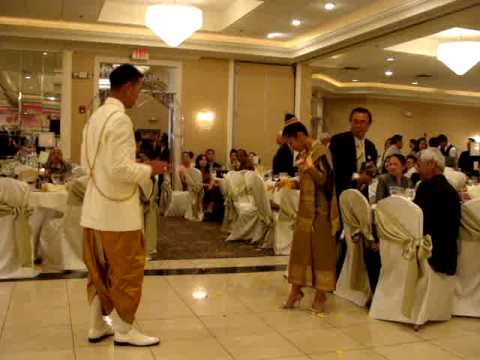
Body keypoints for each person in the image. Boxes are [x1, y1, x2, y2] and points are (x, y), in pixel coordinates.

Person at [80, 64, 168, 347]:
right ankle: (125, 329)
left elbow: (88, 165)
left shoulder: (94, 118)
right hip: (117, 214)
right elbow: (119, 169)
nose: (138, 96)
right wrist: (149, 169)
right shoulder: (120, 120)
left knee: (98, 272)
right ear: (128, 87)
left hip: (94, 210)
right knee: (127, 270)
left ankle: (96, 325)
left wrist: (135, 168)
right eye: (139, 89)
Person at [282, 121, 339, 313]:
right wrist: (291, 184)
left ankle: (321, 294)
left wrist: (309, 167)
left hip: (321, 212)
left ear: (299, 135)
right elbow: (308, 181)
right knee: (300, 251)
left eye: (291, 142)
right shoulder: (306, 154)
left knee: (321, 253)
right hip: (305, 212)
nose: (292, 147)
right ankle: (296, 290)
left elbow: (326, 181)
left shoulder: (321, 152)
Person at [329, 107, 378, 278]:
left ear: (369, 124)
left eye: (363, 122)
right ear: (350, 122)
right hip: (341, 195)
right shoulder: (339, 141)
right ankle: (332, 274)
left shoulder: (370, 146)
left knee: (360, 234)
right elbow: (338, 170)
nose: (358, 125)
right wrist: (358, 177)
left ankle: (355, 273)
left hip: (362, 197)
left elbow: (372, 172)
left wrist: (371, 174)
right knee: (339, 235)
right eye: (355, 121)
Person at [414, 148, 460, 275]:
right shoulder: (451, 190)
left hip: (430, 255)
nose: (418, 169)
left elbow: (415, 222)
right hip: (449, 256)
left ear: (432, 164)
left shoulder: (425, 187)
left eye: (420, 165)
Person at [196, 154, 224, 222]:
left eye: (205, 160)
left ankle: (211, 211)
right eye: (201, 159)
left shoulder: (208, 170)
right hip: (198, 188)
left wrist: (210, 185)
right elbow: (196, 183)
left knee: (215, 189)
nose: (203, 161)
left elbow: (212, 179)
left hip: (207, 189)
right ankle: (209, 210)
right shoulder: (196, 170)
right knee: (212, 191)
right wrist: (207, 185)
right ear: (198, 161)